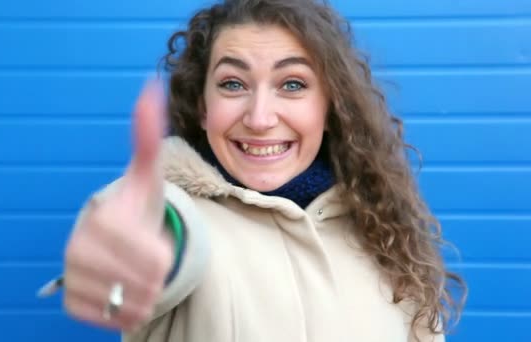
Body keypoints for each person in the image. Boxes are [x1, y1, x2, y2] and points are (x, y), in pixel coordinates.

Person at [38, 0, 467, 341]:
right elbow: (144, 242)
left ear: (330, 107)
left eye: (292, 84)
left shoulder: (383, 230)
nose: (260, 118)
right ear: (204, 108)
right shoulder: (175, 212)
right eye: (233, 84)